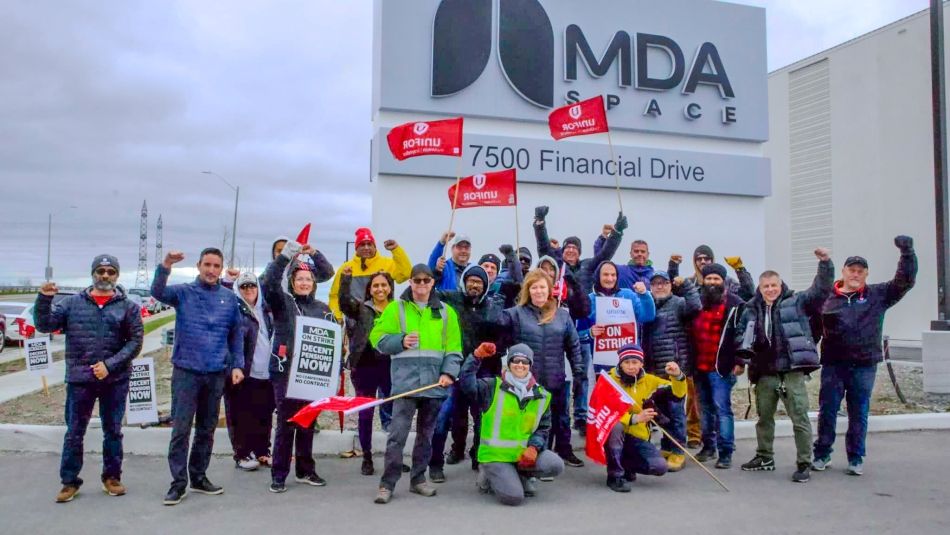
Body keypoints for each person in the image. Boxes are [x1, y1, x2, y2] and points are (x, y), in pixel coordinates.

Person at [35, 255, 143, 503]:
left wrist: (109, 365)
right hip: (80, 379)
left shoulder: (128, 307)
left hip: (114, 380)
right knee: (74, 432)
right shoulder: (72, 304)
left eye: (111, 271)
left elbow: (135, 342)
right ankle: (69, 481)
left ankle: (112, 477)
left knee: (113, 430)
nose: (105, 276)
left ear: (117, 276)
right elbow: (44, 324)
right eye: (101, 271)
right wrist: (44, 298)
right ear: (93, 273)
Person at [812, 236, 917, 476]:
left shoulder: (878, 295)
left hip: (864, 365)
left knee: (858, 412)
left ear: (866, 274)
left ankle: (856, 457)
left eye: (860, 271)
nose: (855, 274)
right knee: (827, 410)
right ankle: (822, 454)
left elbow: (905, 281)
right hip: (833, 364)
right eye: (852, 270)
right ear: (844, 271)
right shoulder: (828, 297)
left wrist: (907, 253)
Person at [151, 248, 244, 506]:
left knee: (206, 429)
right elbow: (157, 292)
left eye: (216, 266)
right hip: (186, 372)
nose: (211, 270)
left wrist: (237, 365)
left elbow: (235, 334)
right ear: (198, 266)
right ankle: (178, 483)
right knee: (181, 430)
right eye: (207, 265)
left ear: (221, 268)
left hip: (215, 374)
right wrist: (166, 265)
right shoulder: (183, 293)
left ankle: (199, 477)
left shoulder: (229, 298)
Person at [736, 248, 833, 483]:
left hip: (792, 370)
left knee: (799, 418)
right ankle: (765, 456)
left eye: (774, 285)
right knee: (764, 418)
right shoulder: (751, 308)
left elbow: (821, 289)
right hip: (764, 372)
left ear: (781, 285)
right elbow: (741, 335)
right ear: (760, 288)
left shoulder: (797, 302)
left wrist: (825, 263)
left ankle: (803, 462)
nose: (770, 289)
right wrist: (741, 359)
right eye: (766, 286)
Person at [370, 264, 463, 504]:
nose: (421, 285)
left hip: (433, 386)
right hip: (405, 386)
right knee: (397, 436)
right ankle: (386, 484)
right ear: (410, 282)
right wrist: (400, 341)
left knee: (426, 436)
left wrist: (449, 374)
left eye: (426, 280)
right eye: (417, 280)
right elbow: (377, 339)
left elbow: (454, 349)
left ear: (433, 283)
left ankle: (418, 480)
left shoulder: (446, 312)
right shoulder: (395, 309)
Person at [262, 239, 335, 493]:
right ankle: (279, 474)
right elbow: (268, 282)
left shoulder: (322, 309)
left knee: (307, 424)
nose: (304, 282)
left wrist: (314, 252)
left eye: (308, 279)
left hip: (312, 375)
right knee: (287, 423)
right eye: (299, 279)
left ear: (314, 283)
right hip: (284, 373)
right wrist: (285, 256)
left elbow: (331, 345)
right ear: (292, 282)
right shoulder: (283, 303)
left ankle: (305, 470)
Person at [497, 269, 585, 468]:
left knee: (561, 418)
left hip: (556, 377)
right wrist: (503, 295)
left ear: (549, 290)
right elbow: (494, 323)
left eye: (542, 287)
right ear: (528, 290)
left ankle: (564, 450)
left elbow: (574, 346)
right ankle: (531, 458)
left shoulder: (562, 315)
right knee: (533, 422)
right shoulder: (516, 314)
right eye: (534, 287)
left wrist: (578, 372)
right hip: (528, 381)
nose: (538, 291)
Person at [461, 342, 564, 506]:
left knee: (555, 465)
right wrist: (476, 357)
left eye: (525, 362)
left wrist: (534, 448)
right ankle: (488, 475)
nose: (520, 365)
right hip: (495, 457)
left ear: (530, 365)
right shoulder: (491, 386)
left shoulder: (542, 395)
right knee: (514, 498)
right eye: (515, 361)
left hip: (521, 455)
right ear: (508, 364)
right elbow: (466, 384)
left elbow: (543, 429)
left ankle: (521, 475)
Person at [430, 264, 503, 479]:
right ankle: (437, 463)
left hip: (483, 372)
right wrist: (437, 270)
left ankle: (478, 456)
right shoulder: (452, 299)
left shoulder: (493, 306)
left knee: (482, 419)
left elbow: (503, 333)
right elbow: (428, 290)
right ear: (464, 282)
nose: (474, 285)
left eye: (479, 282)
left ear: (485, 286)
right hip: (454, 370)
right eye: (471, 280)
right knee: (445, 418)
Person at [603, 343, 686, 492]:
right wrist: (634, 419)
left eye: (635, 362)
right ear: (620, 364)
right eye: (626, 362)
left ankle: (625, 464)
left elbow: (677, 394)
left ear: (641, 363)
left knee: (660, 467)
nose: (631, 366)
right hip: (613, 435)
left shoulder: (650, 380)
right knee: (616, 426)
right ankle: (615, 476)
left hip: (638, 436)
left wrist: (677, 376)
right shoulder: (608, 381)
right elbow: (606, 411)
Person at [586, 261, 656, 436]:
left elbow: (648, 316)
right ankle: (609, 437)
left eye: (613, 275)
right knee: (608, 401)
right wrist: (589, 332)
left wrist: (645, 295)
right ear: (598, 277)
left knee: (631, 397)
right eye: (605, 275)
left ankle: (635, 433)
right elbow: (578, 329)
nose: (610, 278)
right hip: (602, 361)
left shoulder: (629, 296)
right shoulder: (590, 299)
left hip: (629, 360)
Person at [641, 270, 701, 471]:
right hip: (654, 369)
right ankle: (667, 447)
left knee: (676, 412)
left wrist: (686, 285)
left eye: (664, 283)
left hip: (675, 367)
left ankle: (678, 451)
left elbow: (696, 306)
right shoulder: (649, 305)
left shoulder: (679, 303)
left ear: (670, 285)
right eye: (656, 283)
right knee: (661, 413)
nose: (659, 286)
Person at [339, 268, 395, 476]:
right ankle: (367, 457)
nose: (380, 289)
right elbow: (344, 302)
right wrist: (345, 280)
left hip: (391, 366)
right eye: (376, 286)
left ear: (390, 288)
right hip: (365, 366)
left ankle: (393, 456)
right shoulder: (361, 309)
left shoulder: (398, 309)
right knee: (366, 413)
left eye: (383, 285)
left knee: (394, 413)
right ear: (370, 290)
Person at [689, 262, 745, 470]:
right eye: (709, 279)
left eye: (716, 279)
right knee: (705, 410)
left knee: (723, 410)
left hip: (722, 367)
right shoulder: (696, 303)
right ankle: (708, 447)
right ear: (703, 280)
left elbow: (742, 335)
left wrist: (740, 361)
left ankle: (726, 452)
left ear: (723, 281)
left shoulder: (735, 304)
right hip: (699, 366)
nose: (712, 282)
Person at [225, 272, 275, 472]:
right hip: (243, 371)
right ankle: (242, 453)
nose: (249, 290)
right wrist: (228, 281)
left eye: (252, 286)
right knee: (241, 415)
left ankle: (263, 450)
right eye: (244, 287)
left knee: (264, 413)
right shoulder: (234, 310)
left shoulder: (267, 311)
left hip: (267, 372)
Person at [328, 228, 411, 320]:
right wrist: (337, 317)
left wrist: (396, 250)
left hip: (384, 318)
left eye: (369, 244)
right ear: (356, 248)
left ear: (374, 247)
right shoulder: (346, 268)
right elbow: (335, 296)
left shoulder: (388, 264)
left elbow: (405, 274)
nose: (366, 247)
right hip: (354, 322)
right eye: (362, 244)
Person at [669, 245, 755, 301]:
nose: (703, 261)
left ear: (712, 259)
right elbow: (672, 292)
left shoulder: (726, 281)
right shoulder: (689, 283)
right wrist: (673, 266)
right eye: (699, 259)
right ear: (695, 261)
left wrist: (740, 269)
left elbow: (748, 293)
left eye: (706, 259)